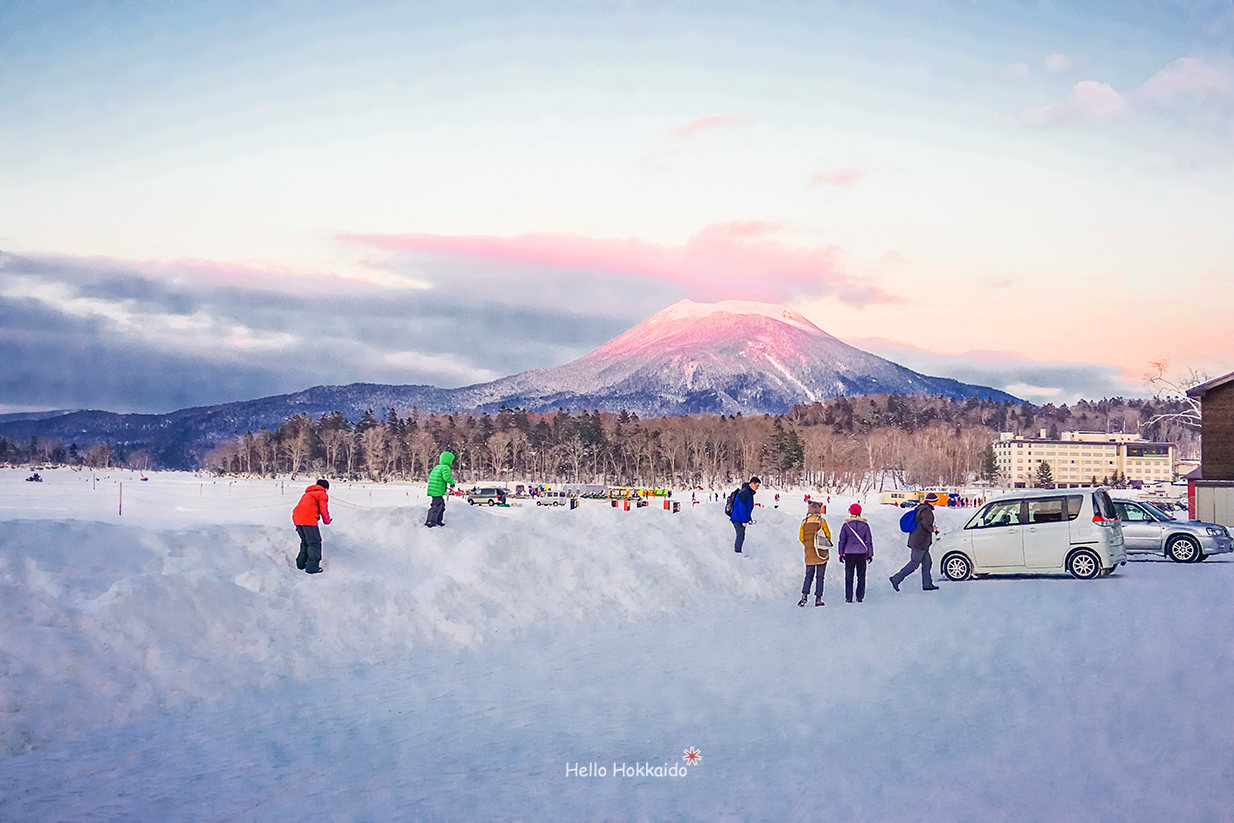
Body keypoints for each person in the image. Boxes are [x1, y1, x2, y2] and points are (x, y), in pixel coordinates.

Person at [890, 492, 940, 592]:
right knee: (914, 564)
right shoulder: (926, 511)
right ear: (932, 502)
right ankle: (896, 579)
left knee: (927, 562)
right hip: (919, 542)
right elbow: (926, 525)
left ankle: (927, 584)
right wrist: (933, 529)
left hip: (920, 541)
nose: (936, 503)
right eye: (935, 501)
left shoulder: (921, 508)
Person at [292, 478, 331, 574]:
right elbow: (323, 510)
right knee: (314, 543)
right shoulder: (322, 494)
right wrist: (327, 521)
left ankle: (301, 564)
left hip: (297, 519)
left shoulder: (307, 494)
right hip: (308, 520)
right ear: (325, 488)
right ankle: (312, 568)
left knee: (305, 542)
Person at [837, 502, 874, 603]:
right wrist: (870, 554)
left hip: (849, 553)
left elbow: (842, 540)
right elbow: (869, 541)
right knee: (861, 575)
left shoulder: (846, 525)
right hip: (862, 553)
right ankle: (860, 596)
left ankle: (849, 597)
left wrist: (841, 553)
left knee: (849, 575)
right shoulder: (865, 525)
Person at [797, 501, 831, 606]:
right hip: (821, 553)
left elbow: (801, 537)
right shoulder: (822, 521)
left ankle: (804, 596)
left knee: (808, 575)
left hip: (809, 553)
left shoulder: (804, 522)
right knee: (820, 576)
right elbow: (828, 535)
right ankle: (818, 598)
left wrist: (808, 546)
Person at [425, 451, 456, 527]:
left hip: (434, 489)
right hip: (437, 490)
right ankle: (431, 521)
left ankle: (438, 520)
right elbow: (446, 477)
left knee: (441, 506)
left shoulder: (437, 467)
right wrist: (452, 482)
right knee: (436, 506)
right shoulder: (445, 467)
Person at [730, 476, 760, 554]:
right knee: (740, 535)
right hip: (737, 517)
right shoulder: (745, 493)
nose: (757, 488)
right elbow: (742, 508)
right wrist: (744, 521)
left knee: (741, 535)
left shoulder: (749, 493)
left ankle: (738, 551)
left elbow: (747, 508)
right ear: (751, 484)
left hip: (740, 517)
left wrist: (748, 518)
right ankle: (737, 552)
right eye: (756, 485)